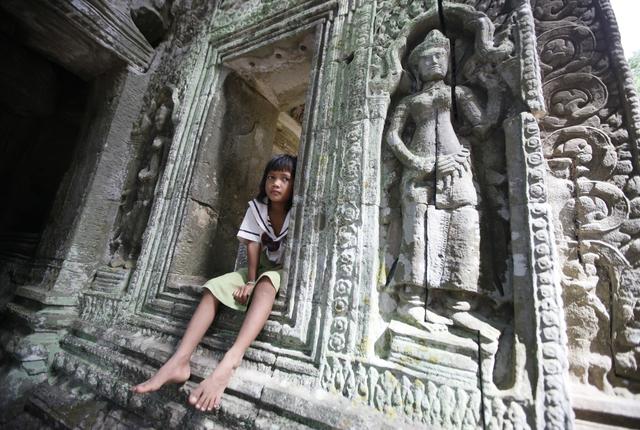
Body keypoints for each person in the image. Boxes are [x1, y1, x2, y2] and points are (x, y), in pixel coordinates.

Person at [131, 154, 297, 412]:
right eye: (271, 177)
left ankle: (231, 360)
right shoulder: (257, 208)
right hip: (259, 266)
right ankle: (179, 360)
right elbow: (253, 244)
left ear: (295, 184)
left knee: (267, 283)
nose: (276, 183)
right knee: (214, 286)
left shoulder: (297, 212)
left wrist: (258, 283)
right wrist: (250, 280)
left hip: (282, 270)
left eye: (285, 179)